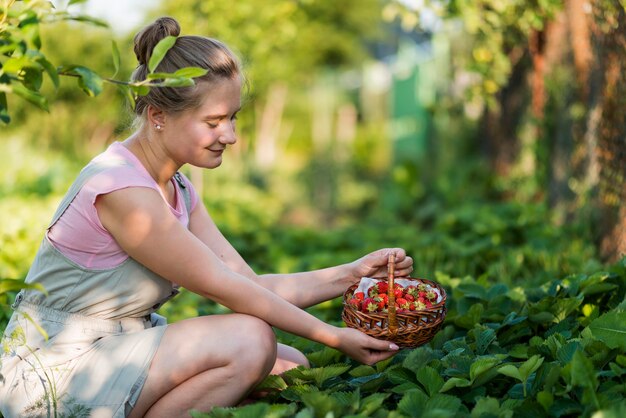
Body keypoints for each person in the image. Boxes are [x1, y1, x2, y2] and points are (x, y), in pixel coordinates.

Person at [0, 16, 413, 418]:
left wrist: (353, 275)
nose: (230, 135)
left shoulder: (176, 187)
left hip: (115, 347)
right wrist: (335, 337)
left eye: (232, 117)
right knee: (250, 341)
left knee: (289, 366)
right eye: (213, 121)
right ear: (158, 116)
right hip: (55, 370)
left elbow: (248, 283)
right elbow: (226, 288)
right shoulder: (122, 190)